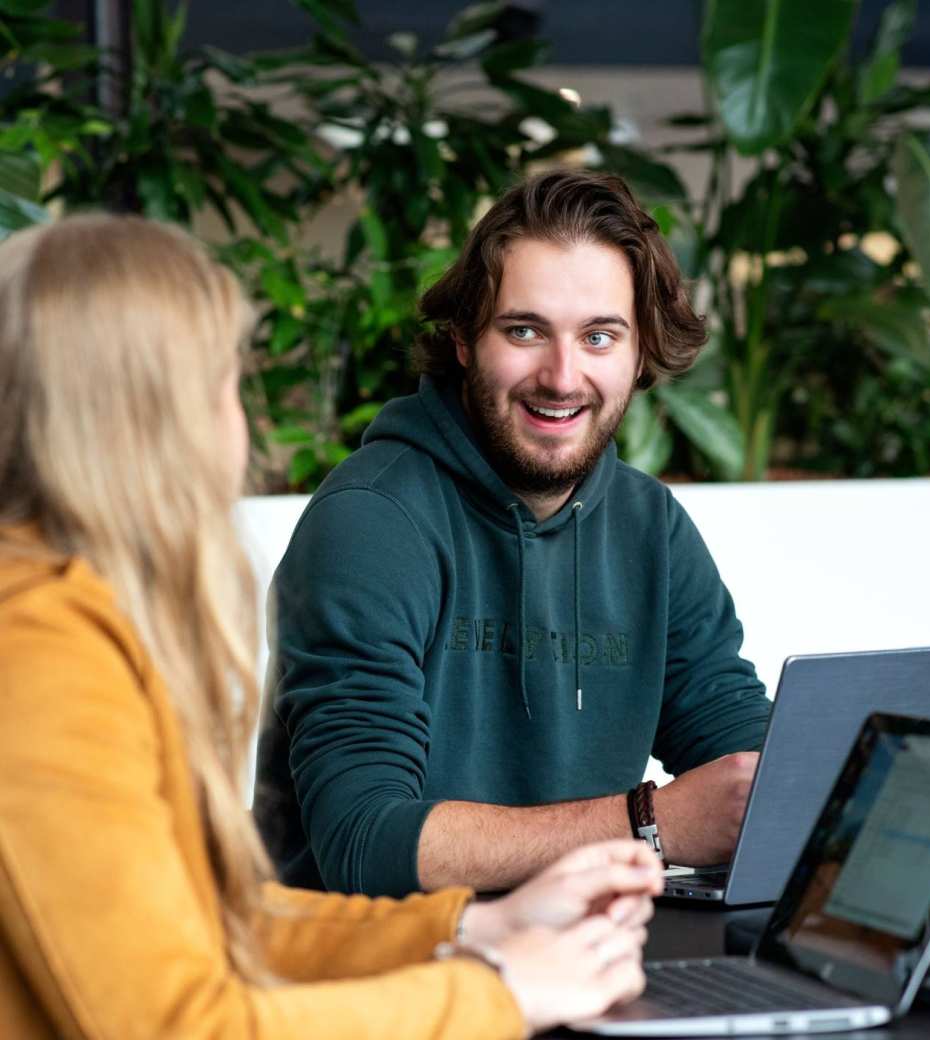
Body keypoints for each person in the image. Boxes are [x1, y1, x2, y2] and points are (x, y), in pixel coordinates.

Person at [0, 214, 662, 1039]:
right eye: (227, 386)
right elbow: (173, 1026)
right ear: (150, 419)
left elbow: (210, 919)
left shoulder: (72, 616)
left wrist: (470, 929)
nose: (239, 430)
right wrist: (499, 993)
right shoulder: (37, 653)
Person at [255, 169, 772, 901]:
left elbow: (748, 757)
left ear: (639, 351)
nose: (563, 377)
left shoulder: (649, 527)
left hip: (586, 966)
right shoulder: (371, 521)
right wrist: (648, 822)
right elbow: (362, 843)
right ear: (464, 340)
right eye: (525, 331)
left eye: (599, 336)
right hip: (386, 982)